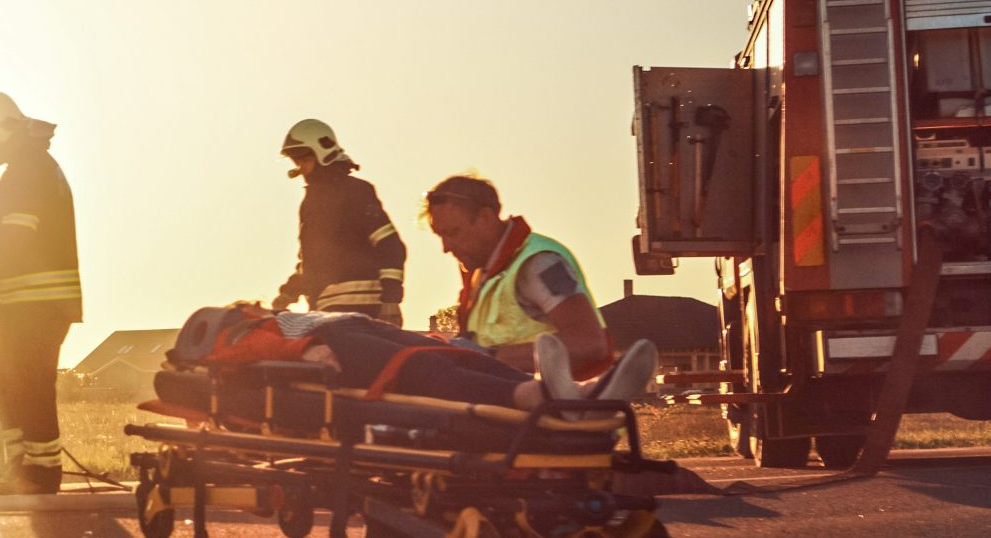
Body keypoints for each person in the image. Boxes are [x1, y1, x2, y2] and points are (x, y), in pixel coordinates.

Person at [0, 91, 82, 493]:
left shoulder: (28, 170)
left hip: (39, 304)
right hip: (30, 302)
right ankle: (23, 467)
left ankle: (40, 472)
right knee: (1, 379)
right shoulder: (32, 165)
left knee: (27, 384)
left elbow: (15, 240)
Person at [194, 307, 654, 410]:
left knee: (454, 352)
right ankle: (539, 396)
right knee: (425, 368)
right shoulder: (238, 332)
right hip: (338, 340)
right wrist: (305, 349)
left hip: (356, 325)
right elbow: (249, 352)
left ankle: (578, 393)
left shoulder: (268, 317)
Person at [421, 173, 612, 377]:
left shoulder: (539, 263)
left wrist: (489, 357)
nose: (446, 247)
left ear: (485, 218)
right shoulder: (482, 275)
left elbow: (589, 343)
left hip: (562, 395)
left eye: (453, 233)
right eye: (440, 235)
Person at [273, 120, 406, 324]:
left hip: (364, 309)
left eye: (305, 159)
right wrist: (289, 292)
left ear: (323, 153)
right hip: (326, 311)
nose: (301, 168)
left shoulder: (356, 192)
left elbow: (390, 245)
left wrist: (390, 300)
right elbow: (315, 259)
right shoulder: (311, 202)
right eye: (296, 162)